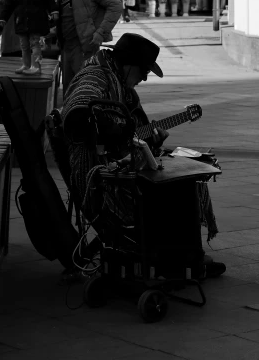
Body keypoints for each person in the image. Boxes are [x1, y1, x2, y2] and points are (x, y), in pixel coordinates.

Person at [61, 32, 225, 278]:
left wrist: (148, 139)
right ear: (129, 64)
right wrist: (120, 132)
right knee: (179, 188)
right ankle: (181, 257)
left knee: (188, 176)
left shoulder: (122, 86)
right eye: (144, 71)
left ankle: (185, 255)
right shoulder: (95, 76)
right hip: (101, 175)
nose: (145, 78)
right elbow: (78, 114)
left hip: (118, 164)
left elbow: (133, 132)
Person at [56, 0, 122, 90]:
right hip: (66, 47)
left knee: (84, 89)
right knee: (68, 89)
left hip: (84, 47)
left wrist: (100, 33)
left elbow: (116, 6)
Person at [0, 0, 58, 75]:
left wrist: (54, 11)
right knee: (23, 45)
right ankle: (26, 65)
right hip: (21, 22)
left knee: (35, 43)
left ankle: (36, 66)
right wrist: (2, 19)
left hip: (36, 22)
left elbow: (49, 1)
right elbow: (7, 6)